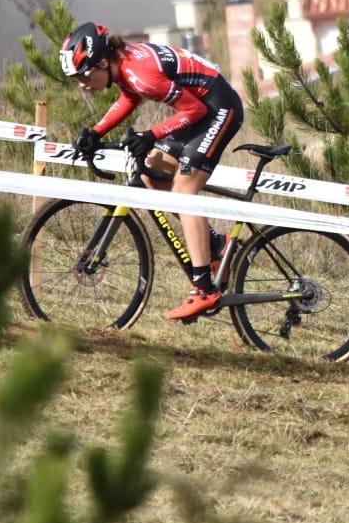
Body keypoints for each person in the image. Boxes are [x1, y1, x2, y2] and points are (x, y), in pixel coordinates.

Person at [60, 22, 243, 322]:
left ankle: (204, 288)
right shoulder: (125, 67)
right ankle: (216, 246)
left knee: (184, 191)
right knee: (150, 171)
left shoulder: (140, 73)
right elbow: (130, 98)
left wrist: (151, 135)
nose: (81, 83)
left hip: (218, 109)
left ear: (103, 62)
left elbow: (195, 111)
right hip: (203, 108)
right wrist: (96, 131)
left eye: (83, 74)